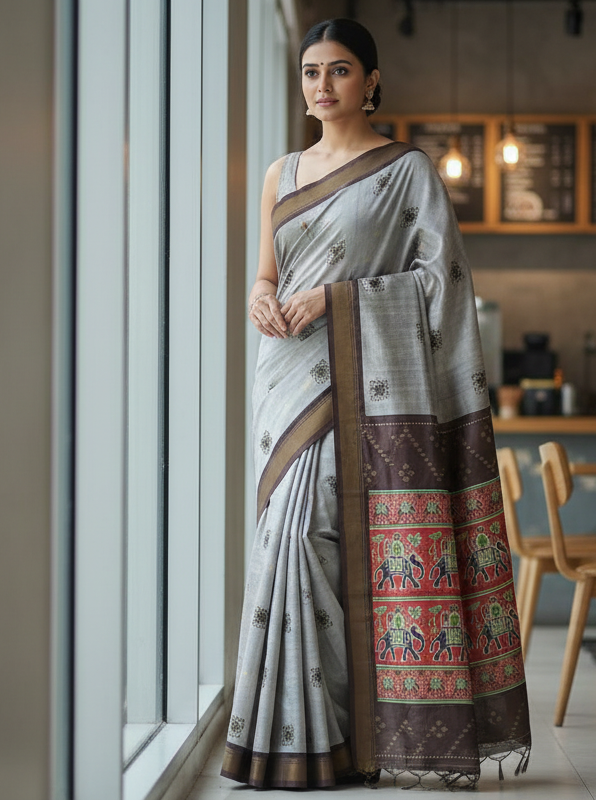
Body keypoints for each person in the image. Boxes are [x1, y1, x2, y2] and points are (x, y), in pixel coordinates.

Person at [220, 18, 531, 790]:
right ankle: (294, 740)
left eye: (339, 71)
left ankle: (340, 736)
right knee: (283, 541)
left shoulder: (406, 171)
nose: (321, 86)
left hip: (359, 381)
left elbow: (441, 285)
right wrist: (261, 298)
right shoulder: (280, 172)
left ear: (372, 81)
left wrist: (334, 299)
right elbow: (266, 272)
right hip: (285, 378)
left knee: (318, 534)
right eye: (310, 72)